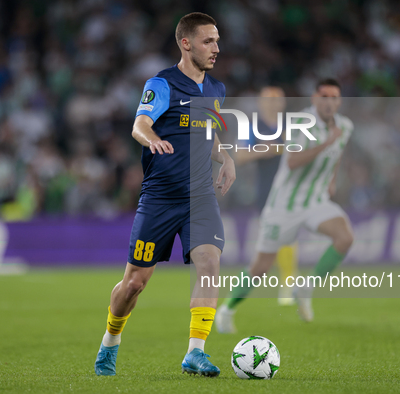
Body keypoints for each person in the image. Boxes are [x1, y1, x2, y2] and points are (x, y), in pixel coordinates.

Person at [94, 12, 235, 377]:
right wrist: (152, 139)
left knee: (210, 264)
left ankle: (195, 352)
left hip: (200, 196)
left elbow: (210, 133)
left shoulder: (216, 90)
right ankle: (110, 341)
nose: (216, 48)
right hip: (160, 198)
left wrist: (227, 157)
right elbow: (140, 124)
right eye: (208, 41)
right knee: (134, 284)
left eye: (217, 40)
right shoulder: (162, 84)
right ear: (185, 44)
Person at [216, 78, 353, 332]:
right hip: (281, 202)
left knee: (344, 237)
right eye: (324, 96)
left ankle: (303, 287)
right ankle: (227, 310)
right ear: (314, 98)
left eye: (334, 97)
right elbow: (290, 161)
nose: (329, 102)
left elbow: (339, 151)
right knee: (261, 265)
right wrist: (322, 143)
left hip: (314, 199)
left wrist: (331, 178)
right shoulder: (298, 122)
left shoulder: (344, 126)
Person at [232, 86, 298, 307]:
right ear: (260, 103)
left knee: (289, 236)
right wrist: (269, 149)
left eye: (276, 100)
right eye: (268, 100)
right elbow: (239, 156)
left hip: (289, 189)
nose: (272, 104)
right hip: (265, 192)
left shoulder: (291, 127)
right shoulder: (252, 127)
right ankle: (243, 289)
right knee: (268, 243)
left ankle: (288, 284)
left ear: (283, 103)